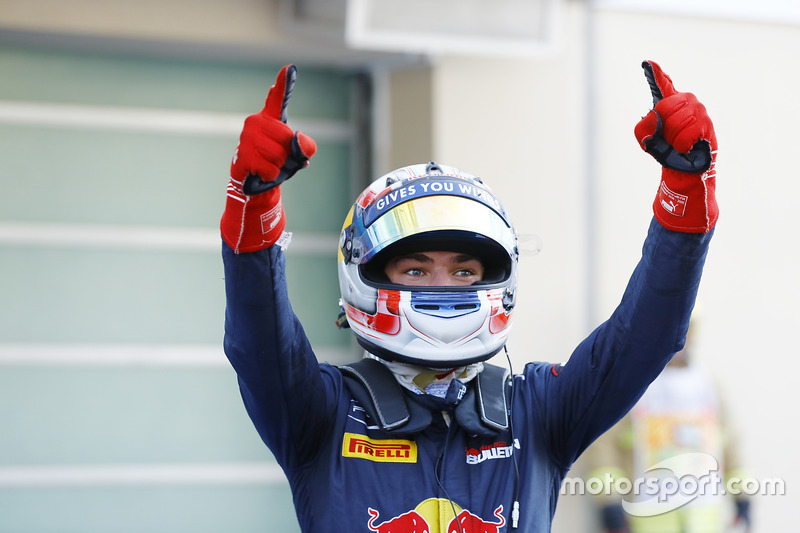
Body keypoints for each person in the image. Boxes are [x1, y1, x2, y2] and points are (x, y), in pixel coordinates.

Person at [219, 60, 718, 532]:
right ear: (364, 275)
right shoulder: (321, 413)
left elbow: (645, 338)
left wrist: (684, 201)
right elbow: (259, 344)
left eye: (464, 271)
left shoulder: (538, 411)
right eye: (416, 269)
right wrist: (253, 214)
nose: (440, 286)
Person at [585, 324, 752, 533]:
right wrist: (609, 502)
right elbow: (603, 447)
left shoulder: (707, 386)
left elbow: (729, 444)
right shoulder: (631, 384)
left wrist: (743, 498)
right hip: (646, 520)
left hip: (704, 521)